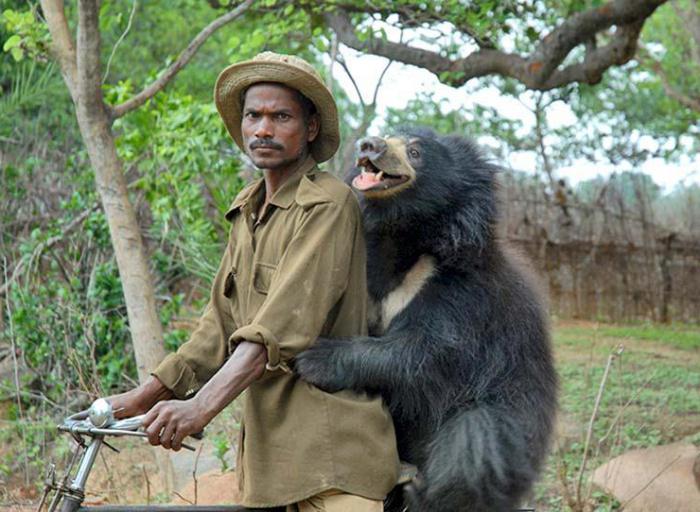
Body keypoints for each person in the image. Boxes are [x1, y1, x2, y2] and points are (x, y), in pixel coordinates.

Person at [109, 52, 399, 511]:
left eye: (280, 116)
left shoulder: (326, 205)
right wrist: (133, 400)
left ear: (310, 129)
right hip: (271, 464)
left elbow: (276, 331)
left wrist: (199, 407)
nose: (263, 129)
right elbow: (216, 332)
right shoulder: (247, 210)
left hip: (332, 458)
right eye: (253, 116)